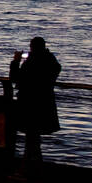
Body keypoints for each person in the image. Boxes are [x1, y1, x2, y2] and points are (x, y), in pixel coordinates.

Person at [10, 36, 61, 168]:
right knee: (34, 139)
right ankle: (35, 167)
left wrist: (16, 61)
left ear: (33, 47)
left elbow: (15, 78)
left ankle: (25, 169)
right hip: (44, 103)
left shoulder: (32, 61)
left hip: (30, 103)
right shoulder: (51, 61)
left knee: (31, 138)